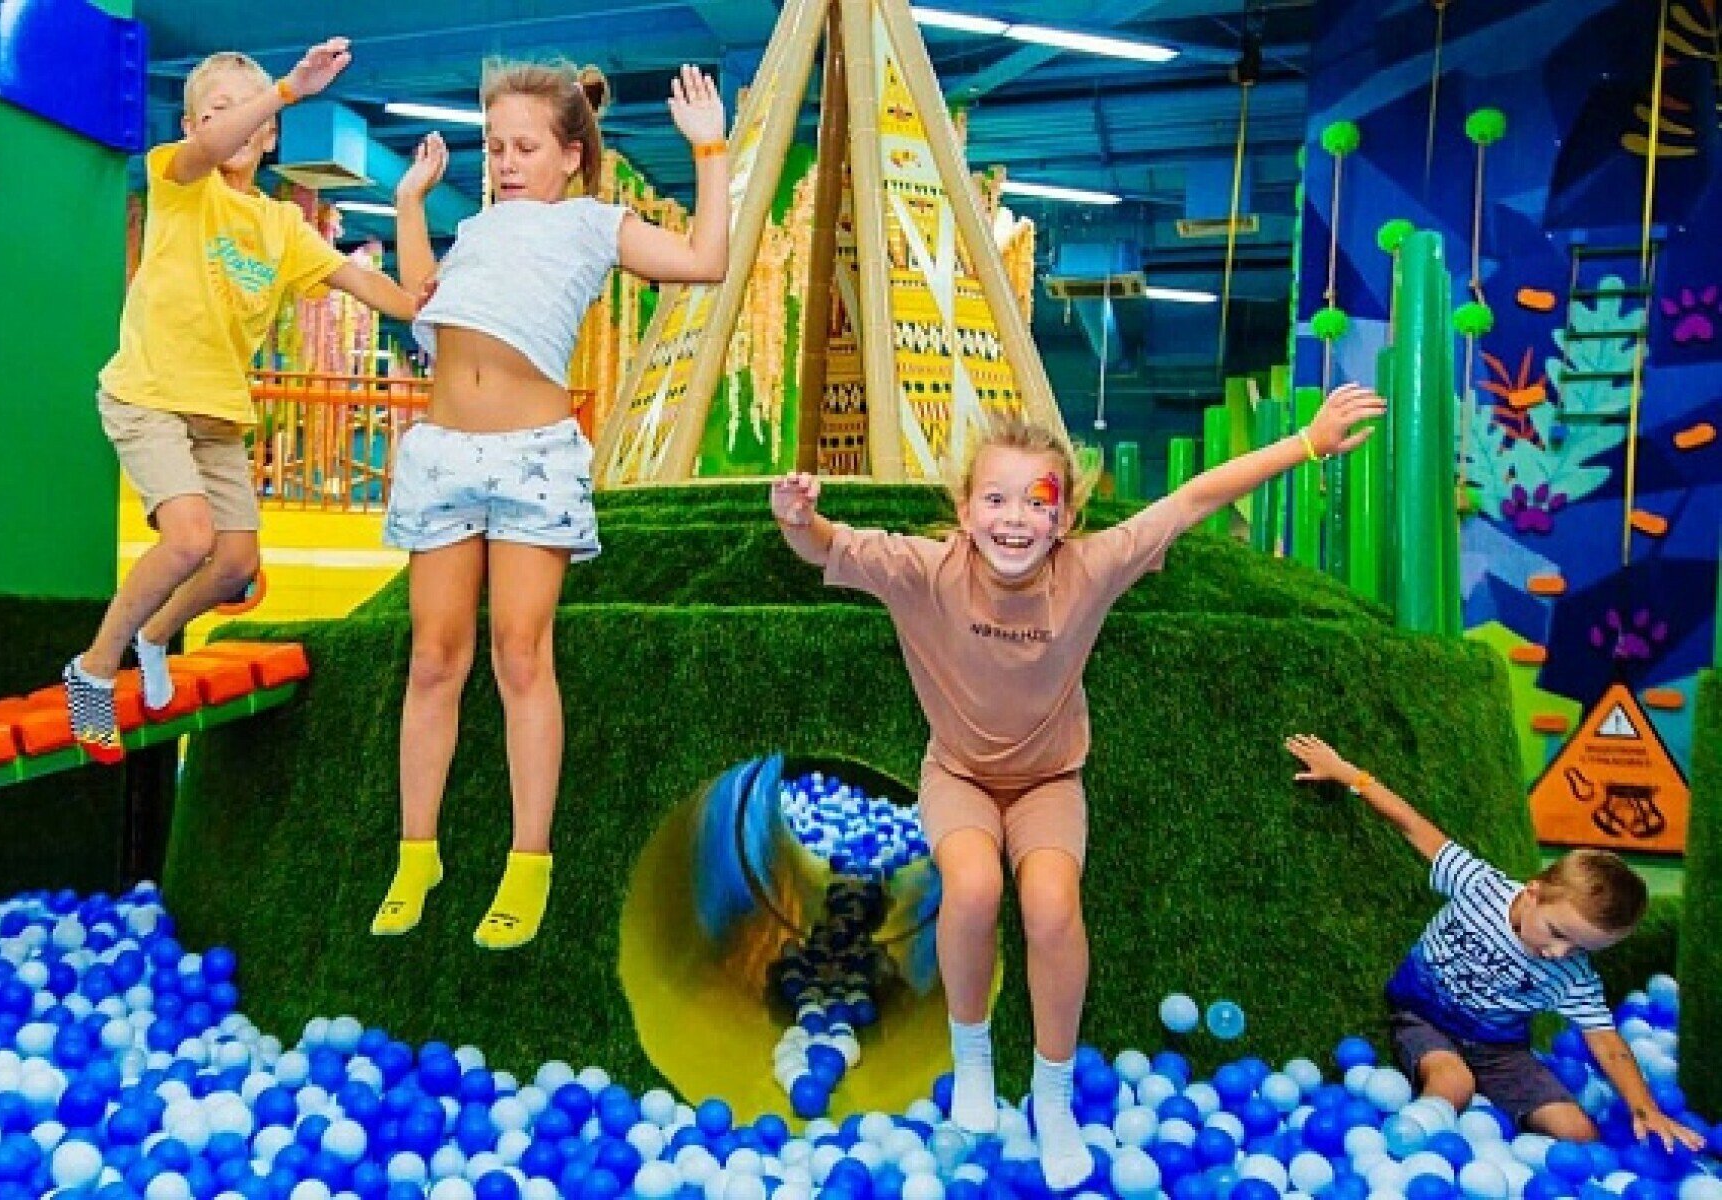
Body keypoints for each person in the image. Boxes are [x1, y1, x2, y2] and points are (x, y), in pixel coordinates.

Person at [769, 384, 1386, 1186]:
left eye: (1038, 502)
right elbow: (825, 544)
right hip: (958, 775)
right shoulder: (926, 570)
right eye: (996, 499)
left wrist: (1306, 442)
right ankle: (973, 1056)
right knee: (973, 888)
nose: (1015, 518)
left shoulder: (1089, 569)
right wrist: (797, 517)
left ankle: (1052, 1098)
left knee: (1054, 907)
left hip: (1048, 782)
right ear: (965, 510)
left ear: (1063, 519)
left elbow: (1193, 499)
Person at [370, 60, 729, 950]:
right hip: (443, 454)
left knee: (520, 654)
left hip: (530, 457)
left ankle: (528, 860)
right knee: (433, 659)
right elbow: (422, 298)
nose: (505, 162)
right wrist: (412, 204)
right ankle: (418, 853)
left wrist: (710, 150)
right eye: (495, 147)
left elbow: (706, 260)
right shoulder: (478, 229)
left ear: (572, 154)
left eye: (525, 147)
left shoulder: (592, 223)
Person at [64, 41, 421, 761]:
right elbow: (209, 146)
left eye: (240, 112)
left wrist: (425, 290)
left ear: (268, 137)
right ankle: (94, 668)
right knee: (188, 540)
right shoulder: (180, 180)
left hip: (216, 414)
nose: (224, 124)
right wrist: (287, 89)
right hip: (149, 394)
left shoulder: (282, 228)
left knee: (234, 565)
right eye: (211, 112)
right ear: (191, 126)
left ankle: (156, 635)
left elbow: (373, 289)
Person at [1285, 732, 1705, 1150]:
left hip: (1499, 1051)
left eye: (1581, 949)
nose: (1559, 953)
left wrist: (1644, 1108)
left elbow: (1608, 1043)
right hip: (1425, 1016)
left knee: (1577, 1132)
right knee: (1454, 1083)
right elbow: (1412, 825)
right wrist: (1344, 772)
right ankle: (1400, 1153)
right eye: (1558, 933)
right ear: (1533, 892)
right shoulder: (1480, 886)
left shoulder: (1573, 976)